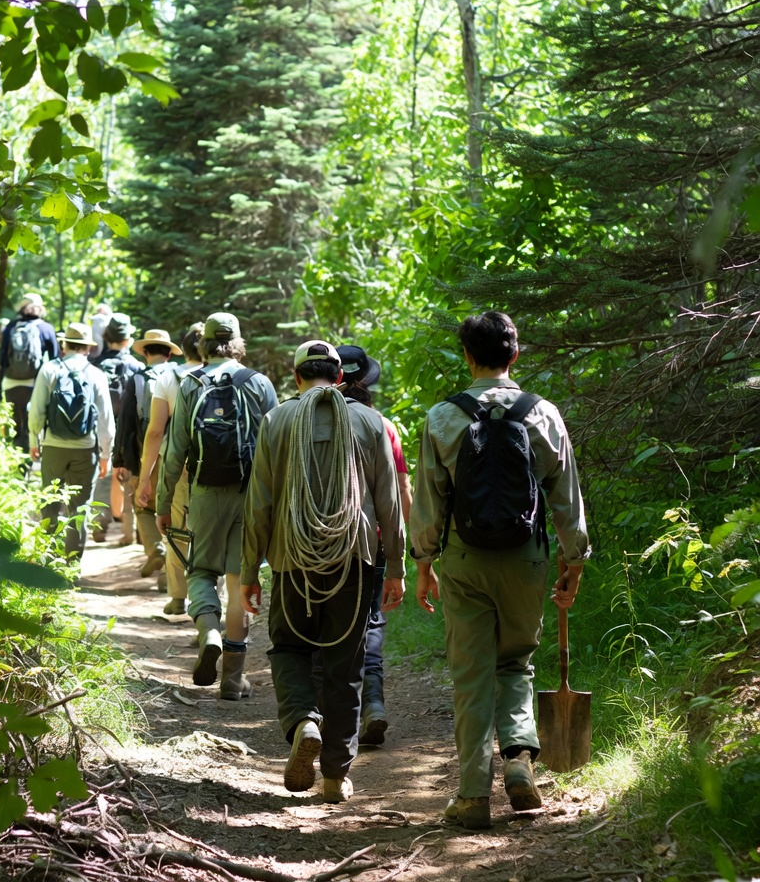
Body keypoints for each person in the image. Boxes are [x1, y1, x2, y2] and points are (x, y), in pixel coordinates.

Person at [409, 311, 590, 829]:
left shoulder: (443, 417)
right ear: (515, 354)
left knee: (470, 676)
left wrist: (423, 563)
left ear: (466, 356)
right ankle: (518, 758)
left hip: (463, 558)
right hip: (526, 558)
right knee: (516, 662)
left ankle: (471, 796)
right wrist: (573, 559)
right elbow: (565, 495)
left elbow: (429, 503)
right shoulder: (543, 414)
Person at [240, 340, 405, 803]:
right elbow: (390, 502)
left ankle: (303, 721)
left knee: (290, 647)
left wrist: (249, 569)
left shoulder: (277, 420)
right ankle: (334, 776)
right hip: (354, 559)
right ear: (339, 377)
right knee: (346, 664)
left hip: (293, 559)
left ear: (295, 378)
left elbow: (260, 504)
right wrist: (396, 565)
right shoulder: (370, 421)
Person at [157, 312, 278, 698]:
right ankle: (232, 678)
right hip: (251, 495)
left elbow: (175, 451)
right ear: (238, 343)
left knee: (201, 570)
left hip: (205, 492)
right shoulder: (259, 384)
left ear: (204, 343)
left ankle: (209, 632)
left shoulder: (190, 384)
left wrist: (163, 503)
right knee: (240, 579)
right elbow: (278, 448)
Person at [335, 344, 412, 746]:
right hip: (373, 540)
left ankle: (325, 714)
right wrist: (406, 546)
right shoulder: (382, 424)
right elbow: (400, 488)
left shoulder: (307, 419)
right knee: (371, 620)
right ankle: (375, 703)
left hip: (318, 540)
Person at [28, 322, 114, 562]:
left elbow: (36, 412)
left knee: (50, 504)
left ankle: (48, 562)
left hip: (54, 446)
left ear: (64, 345)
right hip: (85, 450)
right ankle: (71, 565)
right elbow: (106, 420)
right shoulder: (96, 374)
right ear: (88, 348)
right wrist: (106, 454)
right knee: (79, 508)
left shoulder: (49, 370)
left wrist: (34, 441)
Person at [135, 323, 204, 615]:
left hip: (176, 463)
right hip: (216, 465)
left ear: (183, 349)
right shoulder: (226, 377)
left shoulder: (168, 376)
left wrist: (145, 478)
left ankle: (178, 596)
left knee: (175, 527)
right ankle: (208, 605)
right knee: (212, 532)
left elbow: (154, 432)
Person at [114, 329, 181, 588]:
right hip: (178, 454)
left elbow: (126, 421)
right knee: (175, 511)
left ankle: (155, 550)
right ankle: (170, 579)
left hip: (147, 454)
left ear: (144, 352)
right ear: (168, 352)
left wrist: (121, 458)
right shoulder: (182, 375)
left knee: (143, 505)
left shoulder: (138, 379)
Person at [91, 313, 143, 546]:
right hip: (128, 429)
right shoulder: (136, 366)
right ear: (127, 339)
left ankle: (99, 524)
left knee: (102, 475)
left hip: (101, 426)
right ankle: (133, 529)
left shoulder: (96, 365)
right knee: (131, 477)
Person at [0, 293, 59, 455]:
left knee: (15, 423)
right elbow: (55, 359)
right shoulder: (46, 328)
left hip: (11, 382)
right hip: (35, 383)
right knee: (35, 421)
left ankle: (16, 459)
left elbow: (1, 358)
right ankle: (34, 455)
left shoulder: (11, 327)